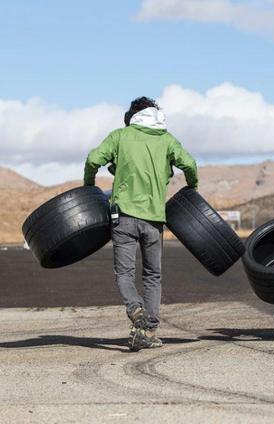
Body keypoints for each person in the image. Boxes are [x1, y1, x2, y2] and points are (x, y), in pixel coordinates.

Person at [84, 96, 198, 351]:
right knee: (152, 276)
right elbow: (189, 164)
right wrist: (193, 187)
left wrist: (88, 187)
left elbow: (93, 159)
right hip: (154, 219)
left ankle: (135, 308)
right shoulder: (166, 138)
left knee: (124, 273)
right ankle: (149, 329)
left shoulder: (121, 136)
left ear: (132, 116)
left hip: (123, 217)